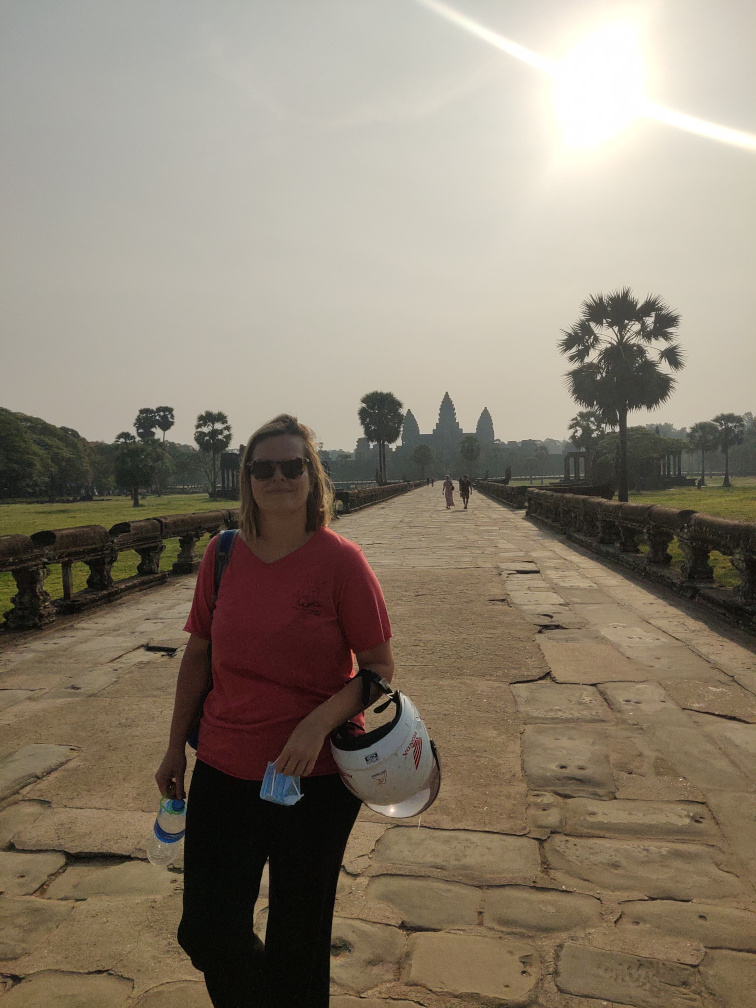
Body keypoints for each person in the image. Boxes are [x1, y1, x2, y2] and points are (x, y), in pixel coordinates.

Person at [155, 414, 394, 1008]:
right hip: (224, 765)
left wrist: (316, 722)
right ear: (248, 478)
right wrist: (172, 746)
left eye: (293, 466)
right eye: (265, 468)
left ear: (313, 478)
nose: (279, 478)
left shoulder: (341, 562)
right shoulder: (224, 554)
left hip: (312, 777)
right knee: (207, 930)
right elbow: (199, 652)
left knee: (299, 939)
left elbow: (379, 670)